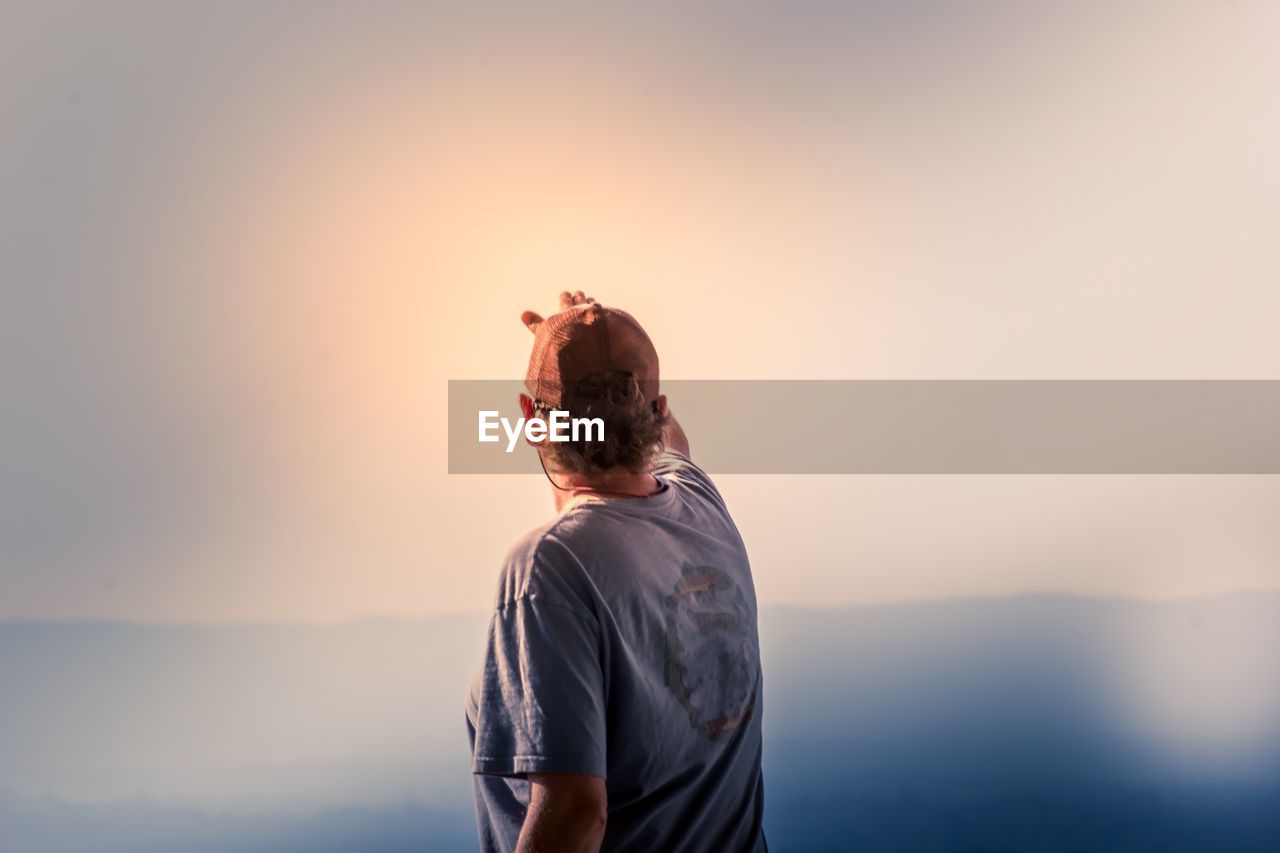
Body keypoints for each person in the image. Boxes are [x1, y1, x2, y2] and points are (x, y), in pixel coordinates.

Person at [465, 292, 767, 852]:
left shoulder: (548, 568)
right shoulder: (701, 503)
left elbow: (577, 812)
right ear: (656, 410)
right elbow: (667, 446)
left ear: (531, 420)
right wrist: (601, 346)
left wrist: (565, 357)